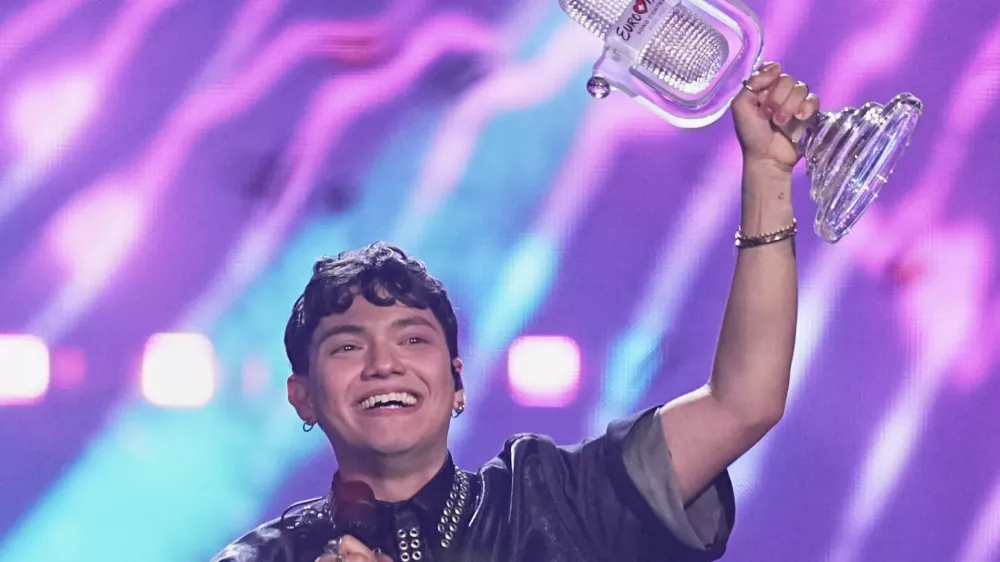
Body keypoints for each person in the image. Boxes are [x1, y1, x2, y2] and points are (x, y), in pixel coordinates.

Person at [210, 61, 816, 562]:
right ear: (304, 398)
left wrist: (767, 176)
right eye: (347, 345)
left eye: (412, 339)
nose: (383, 364)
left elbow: (743, 403)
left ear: (458, 383)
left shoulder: (559, 500)